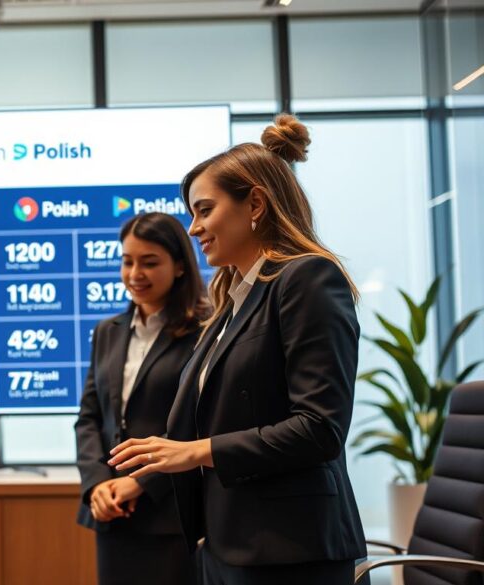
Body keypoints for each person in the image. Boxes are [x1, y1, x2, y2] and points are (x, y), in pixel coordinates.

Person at [108, 114, 368, 585]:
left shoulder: (307, 277)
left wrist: (195, 451)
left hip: (290, 553)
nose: (192, 228)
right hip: (229, 544)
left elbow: (319, 429)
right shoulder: (234, 299)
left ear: (255, 204)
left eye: (204, 210)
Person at [75, 212, 211, 585]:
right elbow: (89, 417)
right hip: (113, 511)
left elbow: (201, 424)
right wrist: (97, 484)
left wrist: (143, 481)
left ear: (180, 266)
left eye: (150, 262)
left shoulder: (205, 331)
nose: (135, 273)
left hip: (170, 511)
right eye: (127, 261)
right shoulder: (108, 331)